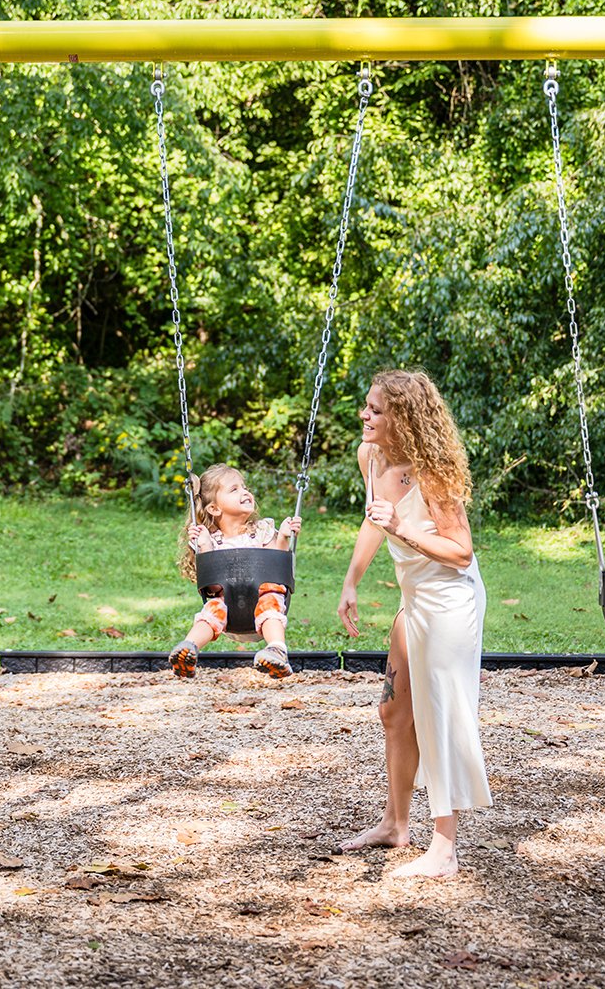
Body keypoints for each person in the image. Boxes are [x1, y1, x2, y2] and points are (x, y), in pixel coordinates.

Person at [335, 369, 491, 878]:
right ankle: (396, 824)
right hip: (412, 596)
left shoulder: (434, 473)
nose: (365, 415)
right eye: (367, 406)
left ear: (403, 416)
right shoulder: (372, 456)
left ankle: (443, 848)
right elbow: (373, 518)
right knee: (394, 713)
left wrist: (403, 528)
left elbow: (461, 552)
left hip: (449, 600)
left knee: (438, 714)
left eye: (377, 410)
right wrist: (352, 581)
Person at [168, 463, 302, 680]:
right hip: (227, 604)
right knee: (212, 610)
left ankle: (277, 650)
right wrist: (203, 547)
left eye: (244, 487)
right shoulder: (210, 540)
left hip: (262, 596)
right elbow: (211, 585)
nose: (245, 492)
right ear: (214, 509)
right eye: (234, 489)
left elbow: (277, 564)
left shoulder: (262, 531)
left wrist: (284, 537)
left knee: (270, 602)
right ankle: (188, 649)